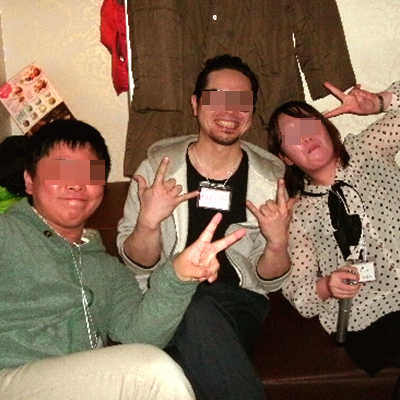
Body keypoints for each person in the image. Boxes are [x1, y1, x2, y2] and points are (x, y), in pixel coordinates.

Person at [0, 119, 246, 400]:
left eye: (89, 173)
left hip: (72, 387)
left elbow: (140, 339)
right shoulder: (6, 234)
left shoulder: (109, 270)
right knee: (152, 374)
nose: (76, 184)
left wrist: (178, 277)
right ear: (29, 181)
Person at [117, 54, 295, 400]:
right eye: (218, 98)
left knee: (197, 307)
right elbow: (138, 263)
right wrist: (149, 223)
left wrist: (277, 243)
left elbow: (269, 280)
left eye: (242, 101)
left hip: (237, 302)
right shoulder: (157, 169)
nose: (230, 111)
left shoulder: (269, 180)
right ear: (196, 104)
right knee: (183, 346)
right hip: (163, 298)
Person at [267, 80, 400, 381]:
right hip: (374, 314)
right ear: (285, 157)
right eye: (293, 136)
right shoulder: (297, 215)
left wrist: (378, 103)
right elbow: (300, 294)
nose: (306, 137)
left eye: (309, 125)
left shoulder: (368, 148)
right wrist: (328, 285)